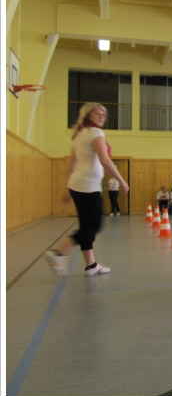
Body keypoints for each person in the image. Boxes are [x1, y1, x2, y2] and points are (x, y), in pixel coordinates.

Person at [45, 102, 129, 276]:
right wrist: (122, 180)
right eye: (97, 113)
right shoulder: (96, 132)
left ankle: (91, 265)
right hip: (88, 186)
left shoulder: (79, 134)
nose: (102, 117)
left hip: (77, 185)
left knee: (86, 226)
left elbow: (73, 161)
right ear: (88, 115)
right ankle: (58, 253)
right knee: (94, 227)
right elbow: (105, 160)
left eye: (104, 114)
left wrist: (68, 186)